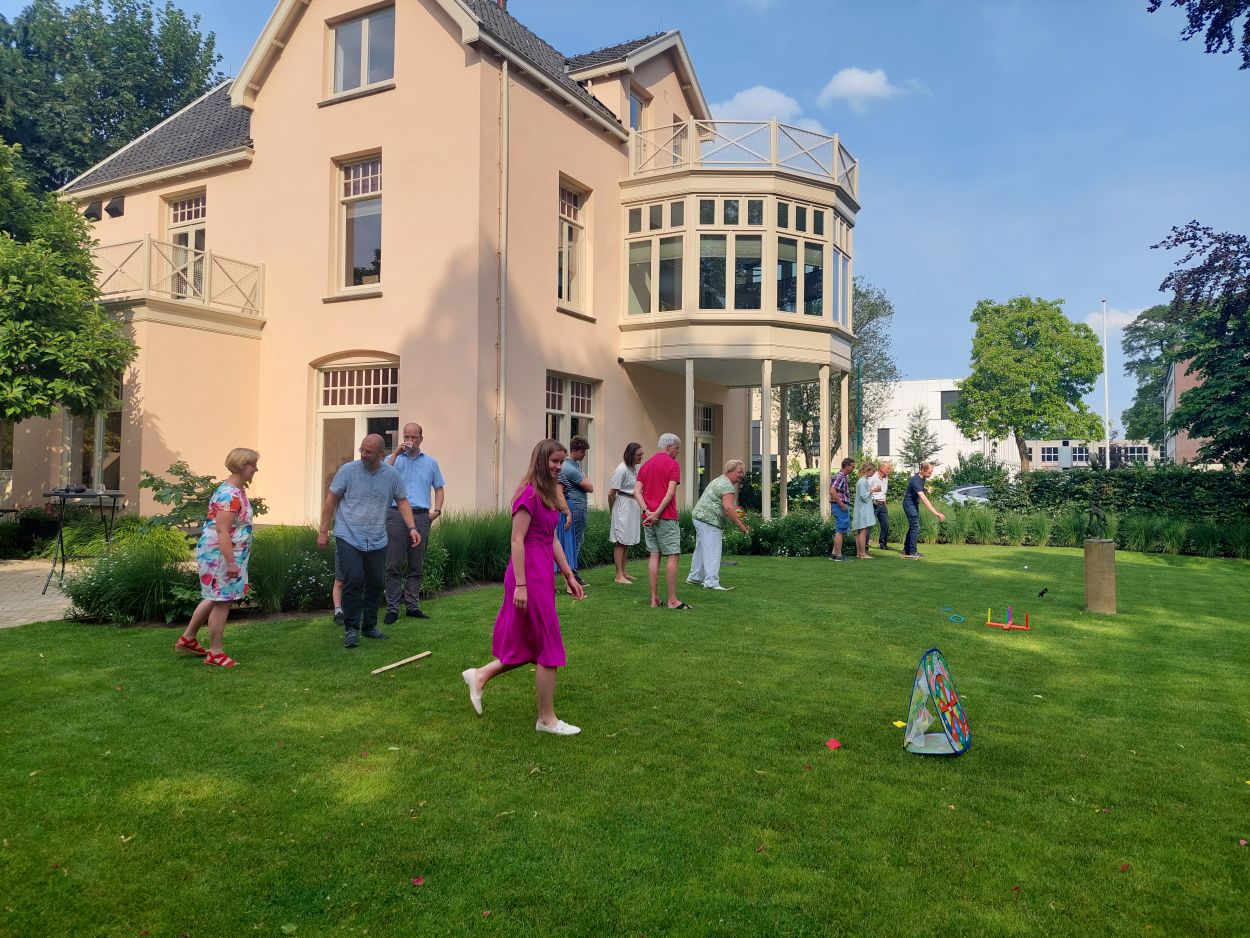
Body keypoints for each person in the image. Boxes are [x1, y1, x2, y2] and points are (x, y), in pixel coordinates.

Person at [462, 439, 585, 735]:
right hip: (527, 574)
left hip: (542, 573)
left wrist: (569, 575)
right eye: (554, 461)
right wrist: (521, 585)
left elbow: (551, 538)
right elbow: (517, 540)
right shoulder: (528, 493)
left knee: (533, 642)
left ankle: (480, 675)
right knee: (548, 645)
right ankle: (546, 719)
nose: (559, 467)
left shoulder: (548, 492)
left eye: (561, 462)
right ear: (541, 460)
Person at [317, 434, 421, 648]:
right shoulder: (348, 471)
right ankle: (351, 629)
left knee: (375, 583)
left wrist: (412, 527)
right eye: (361, 450)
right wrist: (323, 531)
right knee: (353, 579)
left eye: (368, 451)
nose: (363, 454)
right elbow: (331, 500)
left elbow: (402, 500)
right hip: (348, 535)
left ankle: (370, 626)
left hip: (376, 538)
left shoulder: (391, 475)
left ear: (381, 454)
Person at [175, 448, 259, 668]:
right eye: (253, 465)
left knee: (215, 597)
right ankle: (215, 653)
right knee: (223, 601)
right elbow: (222, 531)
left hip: (226, 555)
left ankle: (188, 639)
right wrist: (230, 562)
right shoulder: (229, 495)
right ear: (242, 466)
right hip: (221, 556)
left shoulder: (236, 491)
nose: (256, 469)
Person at [384, 422, 445, 623]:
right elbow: (383, 475)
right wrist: (396, 453)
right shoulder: (394, 459)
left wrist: (436, 512)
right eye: (406, 436)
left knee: (416, 564)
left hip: (420, 516)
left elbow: (439, 488)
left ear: (421, 438)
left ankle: (412, 606)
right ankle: (392, 609)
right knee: (394, 564)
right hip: (396, 516)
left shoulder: (431, 462)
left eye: (414, 437)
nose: (410, 440)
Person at [635, 433, 689, 610]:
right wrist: (656, 514)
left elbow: (636, 492)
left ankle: (654, 599)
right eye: (677, 448)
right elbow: (670, 493)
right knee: (673, 555)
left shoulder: (646, 465)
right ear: (669, 446)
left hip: (649, 517)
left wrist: (647, 512)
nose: (678, 452)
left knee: (654, 554)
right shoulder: (673, 464)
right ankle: (672, 600)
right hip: (666, 517)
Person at [687, 459, 750, 591]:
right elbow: (728, 508)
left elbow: (726, 508)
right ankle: (711, 582)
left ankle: (695, 577)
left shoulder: (719, 480)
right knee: (712, 551)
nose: (741, 475)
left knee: (701, 548)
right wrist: (741, 526)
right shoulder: (727, 486)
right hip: (709, 520)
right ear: (730, 470)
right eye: (739, 472)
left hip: (699, 517)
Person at [559, 436, 593, 588]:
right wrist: (584, 477)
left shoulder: (574, 465)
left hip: (578, 506)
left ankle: (572, 573)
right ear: (573, 451)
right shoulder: (570, 468)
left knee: (577, 540)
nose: (584, 455)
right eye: (582, 452)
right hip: (576, 507)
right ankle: (572, 573)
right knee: (575, 541)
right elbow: (590, 487)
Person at [608, 442, 644, 584]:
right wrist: (612, 510)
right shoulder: (621, 469)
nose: (641, 457)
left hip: (632, 504)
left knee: (627, 540)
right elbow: (611, 493)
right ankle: (618, 576)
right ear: (631, 455)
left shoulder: (636, 468)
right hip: (622, 505)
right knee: (621, 541)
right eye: (639, 455)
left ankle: (623, 572)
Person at [903, 461, 946, 559]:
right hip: (909, 505)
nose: (931, 475)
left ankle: (906, 550)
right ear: (922, 470)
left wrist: (925, 489)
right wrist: (937, 513)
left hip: (914, 504)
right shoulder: (916, 480)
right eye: (929, 473)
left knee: (913, 526)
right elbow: (925, 501)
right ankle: (913, 552)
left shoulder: (921, 478)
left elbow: (918, 490)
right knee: (915, 526)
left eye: (931, 472)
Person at [827, 457, 855, 561]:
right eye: (852, 466)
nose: (853, 468)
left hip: (838, 505)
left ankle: (834, 554)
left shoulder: (841, 476)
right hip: (840, 505)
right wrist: (841, 504)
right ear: (846, 466)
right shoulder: (841, 476)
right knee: (841, 530)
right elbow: (832, 491)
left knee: (841, 529)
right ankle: (839, 555)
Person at [852, 460, 877, 560]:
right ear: (868, 470)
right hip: (863, 510)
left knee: (860, 532)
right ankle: (863, 553)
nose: (873, 473)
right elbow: (864, 496)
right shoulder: (863, 481)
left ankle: (859, 553)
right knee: (863, 531)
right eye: (873, 471)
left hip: (861, 509)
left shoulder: (862, 481)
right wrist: (873, 490)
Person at [871, 460, 892, 551]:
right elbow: (868, 489)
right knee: (869, 525)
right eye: (888, 468)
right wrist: (872, 500)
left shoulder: (886, 478)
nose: (889, 470)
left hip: (882, 504)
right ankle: (864, 545)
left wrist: (885, 500)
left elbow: (883, 491)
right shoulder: (873, 477)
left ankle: (883, 544)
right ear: (881, 468)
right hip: (873, 504)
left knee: (885, 525)